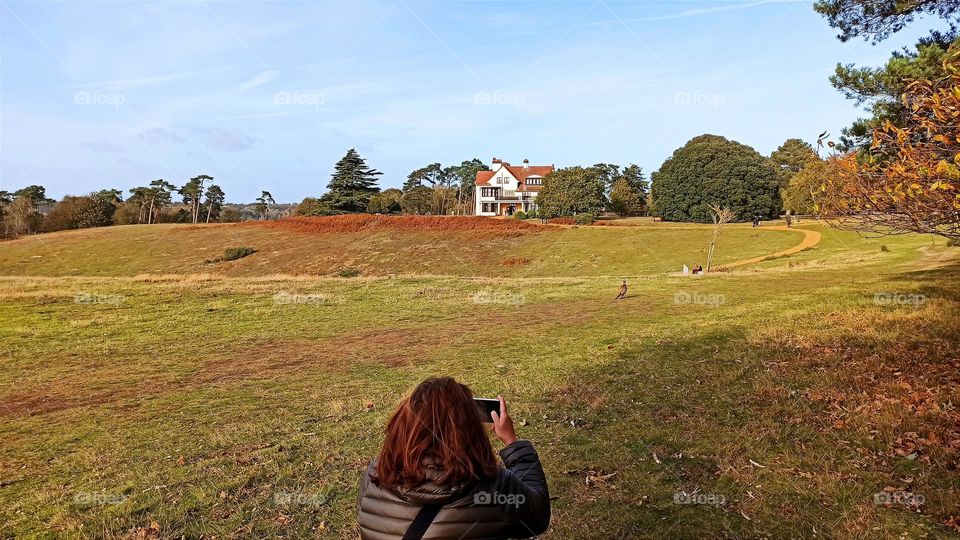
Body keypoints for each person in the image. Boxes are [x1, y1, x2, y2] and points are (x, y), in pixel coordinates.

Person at [357, 377, 550, 540]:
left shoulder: (375, 475)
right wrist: (512, 443)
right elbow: (538, 516)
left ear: (404, 424)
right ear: (470, 429)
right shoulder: (493, 489)